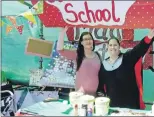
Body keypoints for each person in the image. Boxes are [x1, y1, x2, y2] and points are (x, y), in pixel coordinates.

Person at [97, 29, 154, 109]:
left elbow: (139, 49)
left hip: (131, 105)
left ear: (119, 46)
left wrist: (149, 37)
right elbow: (101, 86)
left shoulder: (127, 58)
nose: (113, 47)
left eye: (115, 45)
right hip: (113, 105)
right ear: (107, 47)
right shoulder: (103, 65)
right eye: (110, 45)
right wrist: (100, 94)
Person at [56, 27, 102, 96]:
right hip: (80, 94)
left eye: (90, 39)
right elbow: (60, 50)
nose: (88, 41)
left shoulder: (98, 55)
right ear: (81, 42)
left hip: (94, 95)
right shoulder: (77, 54)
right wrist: (62, 33)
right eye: (85, 39)